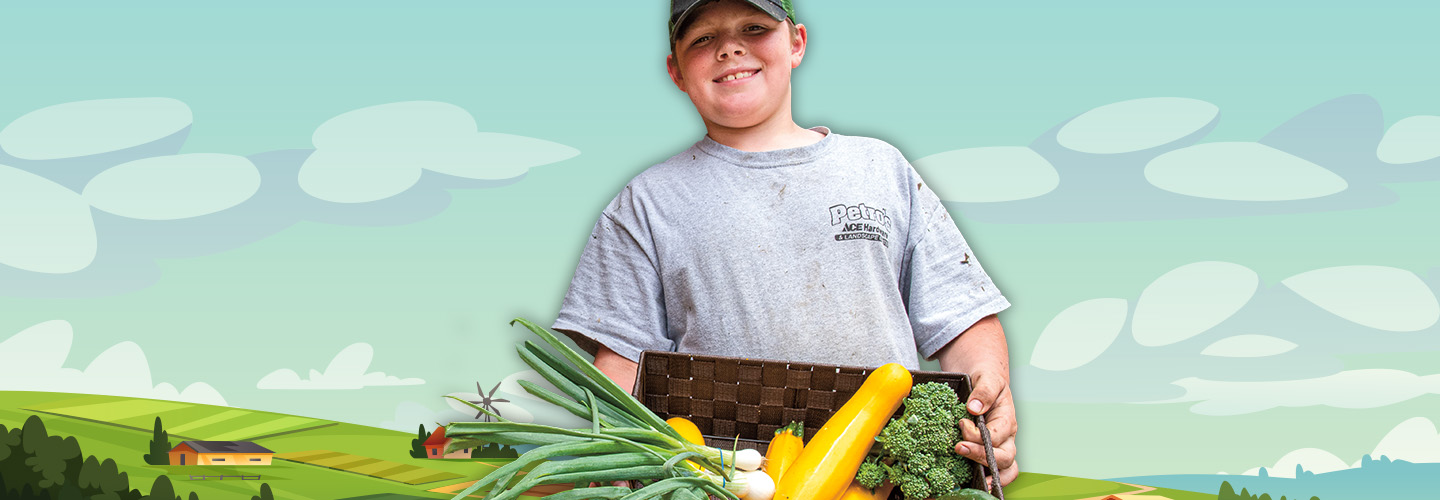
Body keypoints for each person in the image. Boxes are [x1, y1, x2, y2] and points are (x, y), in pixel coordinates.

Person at [553, 0, 1019, 487]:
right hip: (724, 482)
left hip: (884, 476)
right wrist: (609, 464)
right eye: (702, 39)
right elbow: (623, 362)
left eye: (753, 27)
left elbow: (961, 316)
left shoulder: (879, 168)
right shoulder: (647, 201)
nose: (730, 48)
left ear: (796, 43)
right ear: (676, 72)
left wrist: (988, 398)